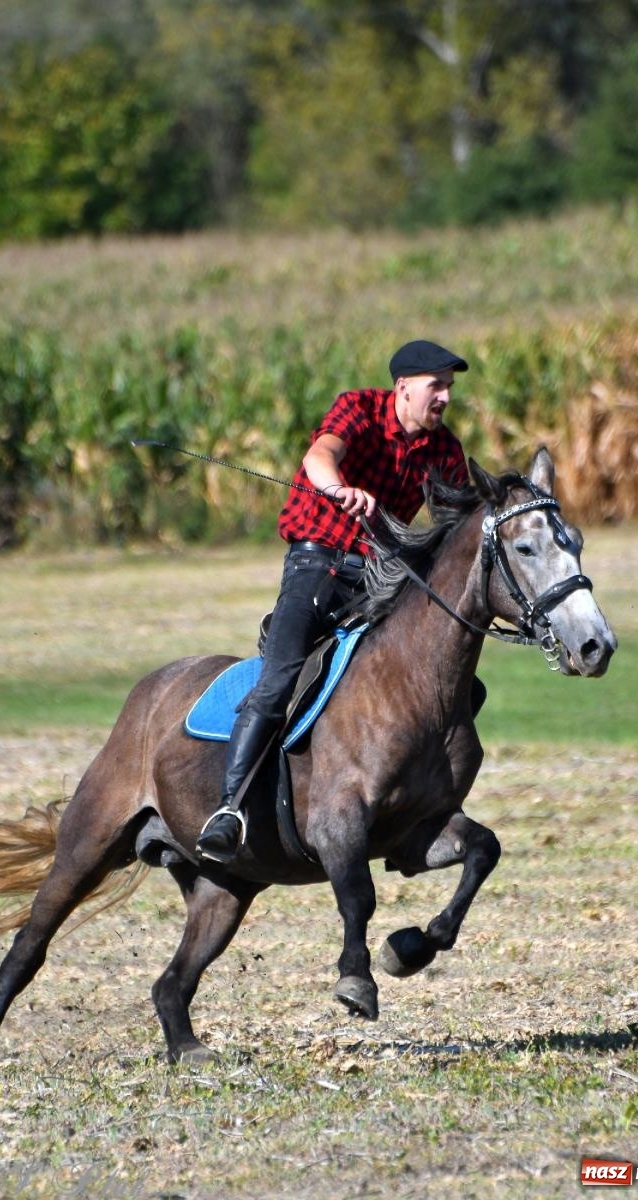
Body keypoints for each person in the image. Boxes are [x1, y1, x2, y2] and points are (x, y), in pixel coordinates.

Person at [196, 339, 471, 863]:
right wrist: (338, 488)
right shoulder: (360, 409)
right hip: (317, 564)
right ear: (404, 388)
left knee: (450, 681)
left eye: (450, 388)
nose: (445, 398)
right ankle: (229, 810)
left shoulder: (445, 451)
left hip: (380, 579)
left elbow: (460, 527)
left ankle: (417, 819)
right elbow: (320, 455)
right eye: (437, 386)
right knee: (279, 677)